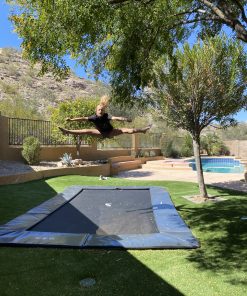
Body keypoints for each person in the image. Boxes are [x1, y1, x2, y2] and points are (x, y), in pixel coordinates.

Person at [59, 96, 152, 139]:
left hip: (111, 132)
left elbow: (116, 118)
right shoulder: (93, 117)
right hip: (100, 133)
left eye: (102, 110)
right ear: (96, 111)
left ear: (104, 111)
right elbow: (82, 118)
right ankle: (67, 131)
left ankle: (143, 130)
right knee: (85, 131)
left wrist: (126, 119)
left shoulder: (106, 116)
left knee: (128, 130)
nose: (100, 111)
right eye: (99, 110)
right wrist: (71, 119)